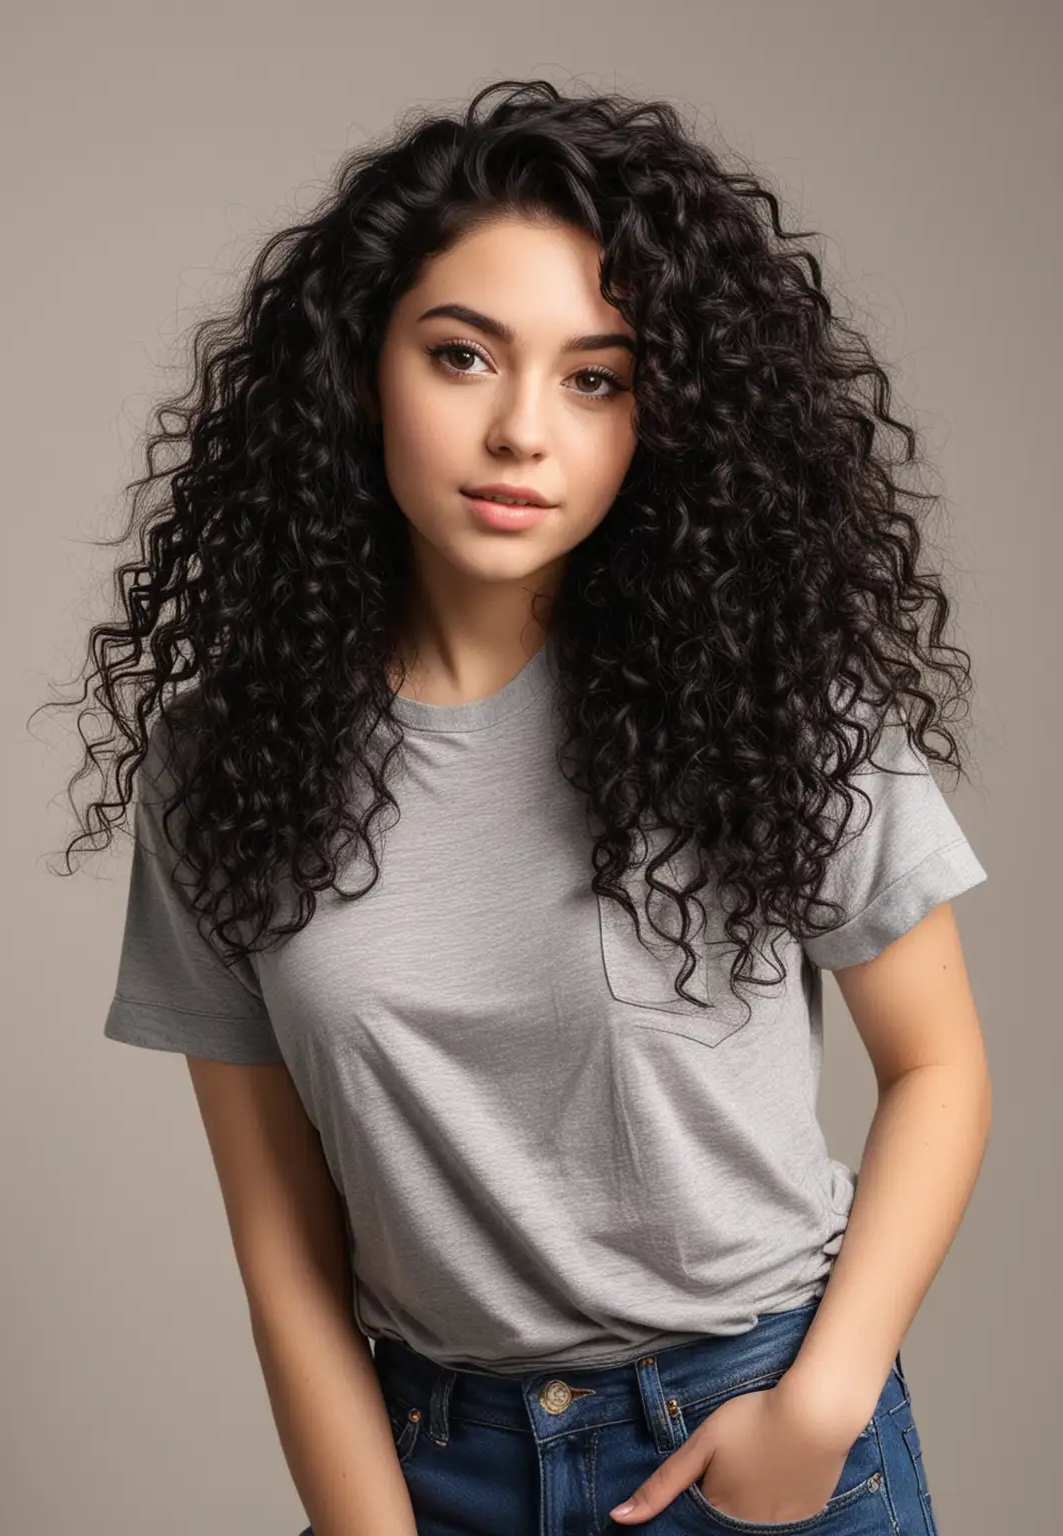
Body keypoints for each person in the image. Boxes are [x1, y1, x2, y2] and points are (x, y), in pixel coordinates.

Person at [53, 78, 991, 1535]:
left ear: (657, 417)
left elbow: (939, 1068)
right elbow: (286, 1244)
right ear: (364, 370)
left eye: (594, 378)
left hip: (751, 1445)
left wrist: (822, 1404)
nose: (522, 434)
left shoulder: (759, 699)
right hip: (430, 1462)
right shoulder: (227, 765)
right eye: (463, 357)